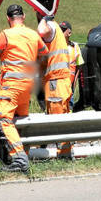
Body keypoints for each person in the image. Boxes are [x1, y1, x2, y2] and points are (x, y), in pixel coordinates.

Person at [0, 5, 48, 172]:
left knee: (4, 120)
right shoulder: (33, 34)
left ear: (8, 18)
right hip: (27, 85)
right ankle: (23, 155)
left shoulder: (6, 34)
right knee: (21, 120)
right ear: (23, 16)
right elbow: (44, 51)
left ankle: (19, 158)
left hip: (12, 85)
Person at [37, 13, 73, 159]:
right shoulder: (56, 32)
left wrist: (45, 19)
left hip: (55, 83)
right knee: (63, 119)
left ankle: (63, 157)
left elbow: (42, 31)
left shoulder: (50, 26)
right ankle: (65, 154)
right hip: (60, 81)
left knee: (57, 121)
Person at [59, 21, 85, 111]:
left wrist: (74, 82)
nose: (60, 32)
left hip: (70, 85)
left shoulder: (74, 46)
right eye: (59, 30)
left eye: (63, 30)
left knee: (69, 106)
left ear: (69, 33)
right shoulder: (56, 46)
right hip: (58, 84)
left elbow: (79, 65)